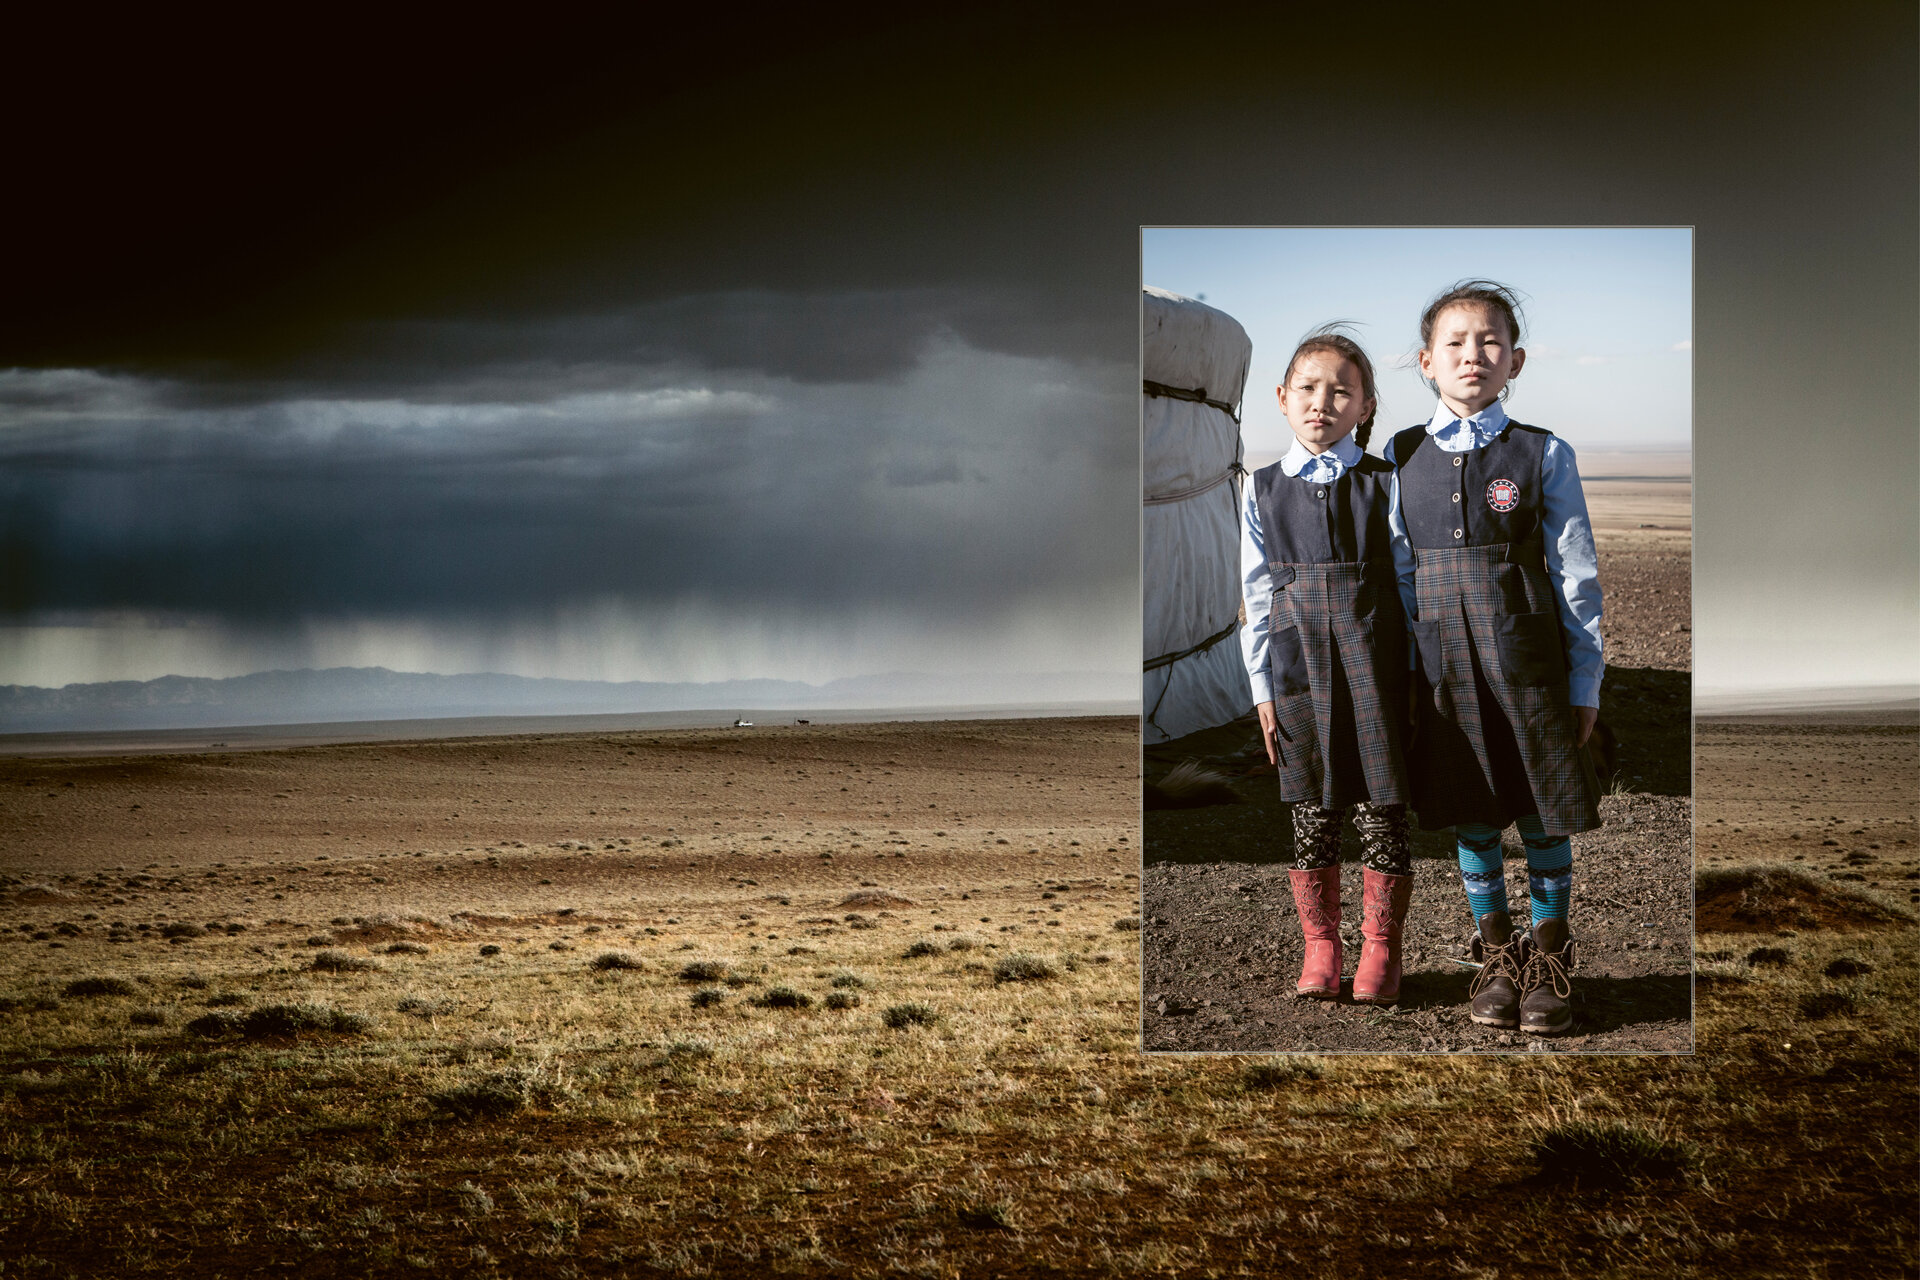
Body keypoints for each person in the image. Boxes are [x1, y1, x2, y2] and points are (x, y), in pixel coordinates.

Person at [1385, 280, 1603, 1036]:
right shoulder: (1400, 454)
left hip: (1528, 654)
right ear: (1425, 362)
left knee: (1543, 809)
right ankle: (1495, 953)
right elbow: (1401, 572)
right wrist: (1411, 677)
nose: (1472, 355)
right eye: (1455, 343)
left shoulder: (1544, 451)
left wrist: (1586, 680)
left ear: (1515, 360)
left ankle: (1549, 957)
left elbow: (1576, 574)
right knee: (1473, 810)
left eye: (1489, 342)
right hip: (1445, 660)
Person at [1240, 327, 1414, 1005]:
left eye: (1342, 391)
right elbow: (1256, 597)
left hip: (1376, 665)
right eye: (1308, 389)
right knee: (1312, 808)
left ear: (1366, 406)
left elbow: (1406, 579)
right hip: (1296, 667)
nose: (1323, 403)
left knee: (1381, 808)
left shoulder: (1384, 482)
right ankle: (1321, 948)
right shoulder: (1259, 490)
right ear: (1282, 399)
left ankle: (1380, 951)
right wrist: (1260, 688)